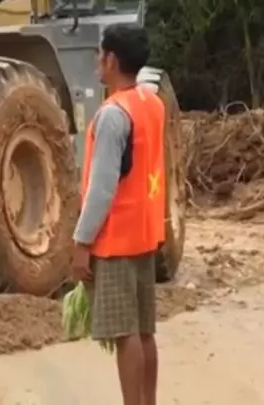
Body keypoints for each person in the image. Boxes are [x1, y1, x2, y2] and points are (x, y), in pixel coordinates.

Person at [72, 23, 166, 405]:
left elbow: (102, 186)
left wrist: (81, 241)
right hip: (145, 233)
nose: (97, 60)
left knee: (125, 332)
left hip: (115, 240)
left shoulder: (112, 115)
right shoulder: (151, 104)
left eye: (100, 54)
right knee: (144, 331)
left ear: (111, 60)